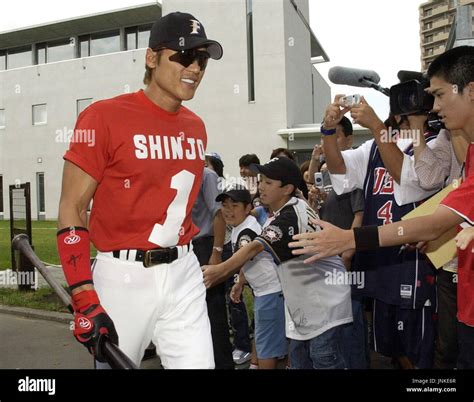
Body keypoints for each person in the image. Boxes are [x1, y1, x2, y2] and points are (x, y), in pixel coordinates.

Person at [289, 45, 474, 369]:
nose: (435, 105)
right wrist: (328, 131)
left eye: (439, 95)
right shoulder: (384, 145)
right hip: (414, 257)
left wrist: (350, 239)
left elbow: (422, 186)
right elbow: (341, 174)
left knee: (437, 352)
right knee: (410, 347)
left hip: (417, 265)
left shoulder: (437, 139)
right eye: (429, 96)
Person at [56, 12, 223, 369]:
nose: (195, 67)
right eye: (183, 55)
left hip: (184, 269)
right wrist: (84, 295)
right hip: (123, 276)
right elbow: (72, 209)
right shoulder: (103, 117)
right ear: (151, 58)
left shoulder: (196, 127)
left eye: (202, 58)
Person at [202, 157, 352, 369]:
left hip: (323, 306)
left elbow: (256, 246)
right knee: (300, 362)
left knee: (324, 361)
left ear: (287, 188)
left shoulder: (290, 215)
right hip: (305, 306)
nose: (261, 186)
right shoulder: (286, 210)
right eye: (261, 180)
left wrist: (221, 270)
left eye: (268, 182)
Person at [219, 188, 287, 369]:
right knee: (263, 334)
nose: (228, 210)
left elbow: (243, 255)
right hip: (265, 291)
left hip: (270, 293)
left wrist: (217, 272)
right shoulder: (242, 225)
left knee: (268, 347)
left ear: (248, 207)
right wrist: (240, 282)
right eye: (224, 205)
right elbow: (248, 260)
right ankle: (255, 364)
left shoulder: (246, 231)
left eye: (234, 206)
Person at [192, 163, 234, 369]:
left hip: (205, 247)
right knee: (189, 312)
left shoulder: (206, 175)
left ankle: (222, 364)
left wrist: (216, 253)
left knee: (213, 311)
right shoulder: (174, 170)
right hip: (183, 251)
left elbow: (219, 215)